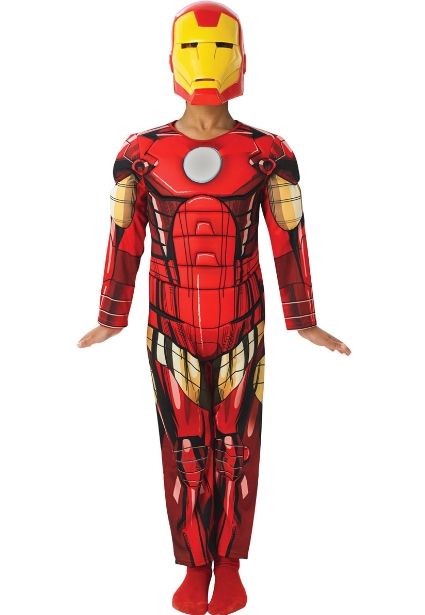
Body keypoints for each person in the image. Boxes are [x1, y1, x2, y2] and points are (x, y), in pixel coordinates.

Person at [77, 2, 351, 613]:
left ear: (243, 58)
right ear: (172, 59)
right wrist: (111, 313)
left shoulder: (267, 151)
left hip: (242, 320)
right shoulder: (142, 151)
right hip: (169, 321)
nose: (208, 60)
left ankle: (228, 564)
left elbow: (289, 236)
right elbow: (124, 234)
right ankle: (194, 565)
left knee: (236, 447)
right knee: (182, 448)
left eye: (223, 47)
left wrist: (304, 319)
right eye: (196, 48)